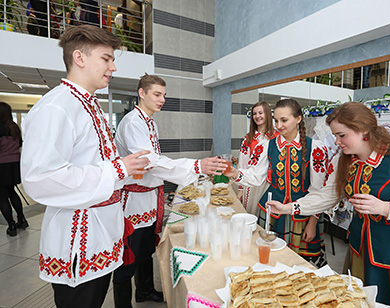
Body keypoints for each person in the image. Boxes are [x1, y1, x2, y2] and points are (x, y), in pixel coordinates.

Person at [268, 102, 390, 308]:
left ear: (363, 131)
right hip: (363, 252)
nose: (337, 141)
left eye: (342, 135)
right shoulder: (344, 162)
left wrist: (387, 208)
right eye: (335, 135)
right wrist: (289, 208)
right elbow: (327, 196)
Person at [20, 25, 150, 308]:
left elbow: (98, 164)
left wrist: (122, 171)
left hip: (101, 236)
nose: (113, 67)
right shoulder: (57, 107)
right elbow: (40, 177)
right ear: (79, 58)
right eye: (106, 58)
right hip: (78, 243)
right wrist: (117, 170)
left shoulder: (89, 104)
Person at [113, 73, 226, 308]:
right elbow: (151, 161)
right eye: (157, 94)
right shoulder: (134, 122)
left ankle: (143, 290)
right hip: (133, 198)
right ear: (141, 93)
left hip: (148, 196)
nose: (162, 99)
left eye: (164, 95)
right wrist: (195, 165)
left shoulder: (149, 121)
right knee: (128, 257)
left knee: (145, 251)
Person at [226, 98, 329, 267]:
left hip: (303, 214)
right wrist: (236, 173)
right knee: (269, 260)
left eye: (284, 120)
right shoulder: (268, 145)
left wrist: (313, 221)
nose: (279, 125)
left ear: (298, 119)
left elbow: (319, 190)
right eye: (276, 120)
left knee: (299, 266)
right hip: (272, 211)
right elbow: (256, 176)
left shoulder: (315, 148)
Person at [237, 101, 278, 215]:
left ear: (268, 114)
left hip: (271, 184)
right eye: (254, 114)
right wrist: (241, 189)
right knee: (251, 214)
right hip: (252, 183)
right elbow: (243, 164)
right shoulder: (249, 138)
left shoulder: (277, 137)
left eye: (260, 112)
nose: (257, 116)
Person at [0, 102, 28, 237]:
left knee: (2, 197)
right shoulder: (14, 127)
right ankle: (22, 219)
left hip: (1, 166)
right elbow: (20, 144)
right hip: (14, 164)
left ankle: (11, 226)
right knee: (11, 192)